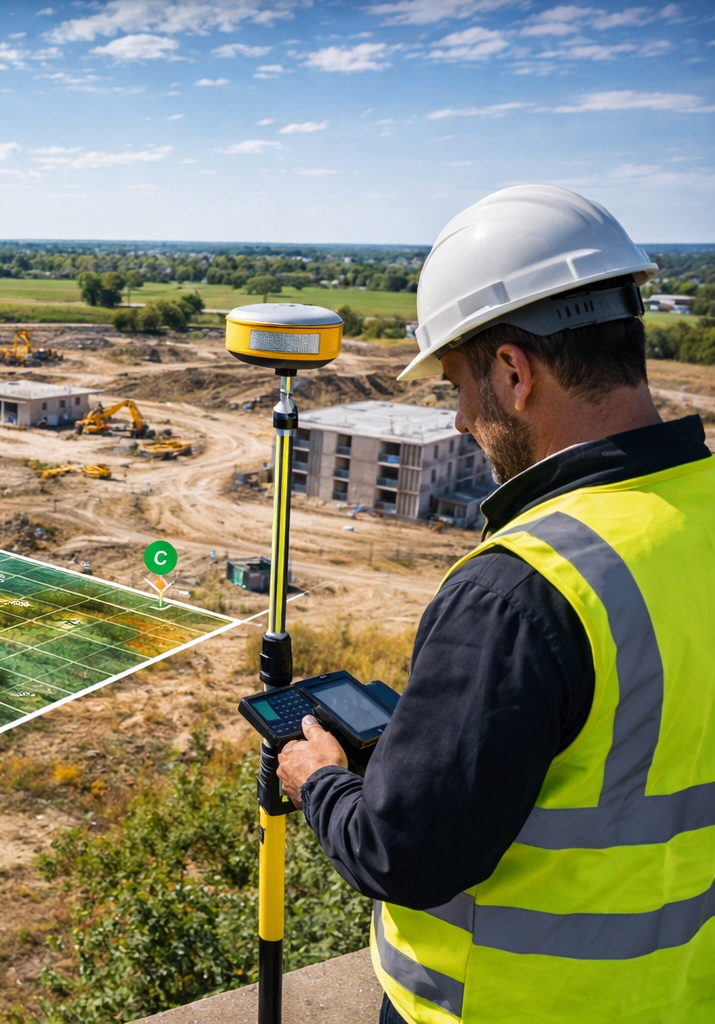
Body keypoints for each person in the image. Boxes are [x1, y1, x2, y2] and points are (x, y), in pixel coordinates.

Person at [275, 184, 715, 1024]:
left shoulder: (522, 588)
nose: (461, 417)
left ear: (513, 372)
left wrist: (321, 780)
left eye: (457, 385)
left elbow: (403, 852)